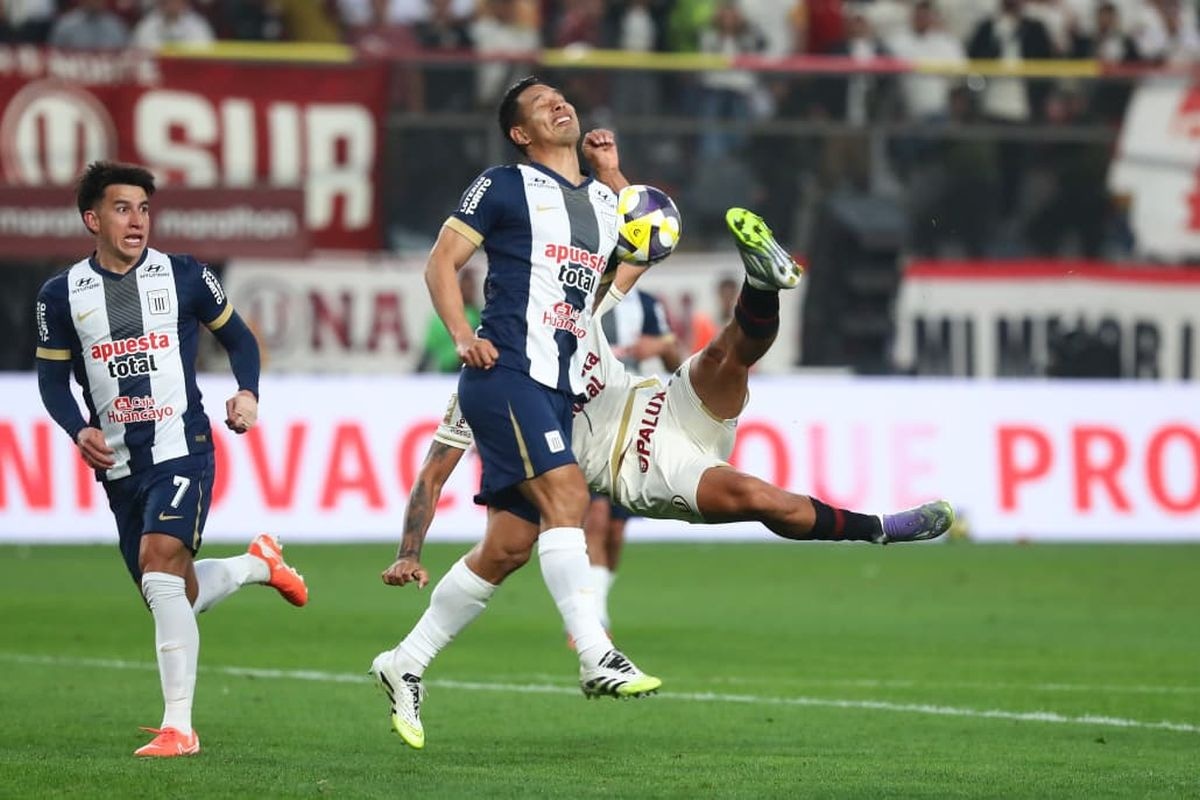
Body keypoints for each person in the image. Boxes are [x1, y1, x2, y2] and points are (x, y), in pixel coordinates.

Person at [373, 206, 954, 749]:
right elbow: (432, 472)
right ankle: (878, 527)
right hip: (642, 467)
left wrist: (613, 177)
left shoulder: (570, 312)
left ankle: (763, 282)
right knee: (755, 498)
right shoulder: (484, 386)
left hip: (660, 402)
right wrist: (409, 550)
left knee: (727, 353)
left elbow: (634, 245)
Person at [370, 76, 661, 749]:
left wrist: (614, 174)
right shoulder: (502, 184)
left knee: (507, 547)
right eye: (540, 106)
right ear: (520, 133)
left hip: (558, 385)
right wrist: (464, 335)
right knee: (568, 494)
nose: (559, 104)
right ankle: (595, 653)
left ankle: (403, 662)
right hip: (504, 372)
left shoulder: (597, 198)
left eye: (562, 97)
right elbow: (442, 263)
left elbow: (643, 249)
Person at [34, 161, 308, 758]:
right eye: (122, 208)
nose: (137, 220)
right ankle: (258, 565)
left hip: (183, 447)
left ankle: (179, 728)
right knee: (169, 592)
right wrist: (77, 428)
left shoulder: (184, 276)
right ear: (93, 218)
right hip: (119, 464)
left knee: (160, 566)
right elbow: (52, 381)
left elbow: (239, 338)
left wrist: (247, 392)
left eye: (144, 209)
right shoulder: (61, 296)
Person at [585, 286, 682, 633]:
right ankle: (594, 618)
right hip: (588, 418)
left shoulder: (647, 303)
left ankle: (596, 601)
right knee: (594, 516)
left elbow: (675, 360)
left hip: (631, 422)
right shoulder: (584, 292)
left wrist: (659, 346)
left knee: (615, 528)